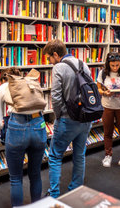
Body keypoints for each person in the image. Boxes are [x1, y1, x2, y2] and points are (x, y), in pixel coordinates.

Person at [43, 39, 92, 198]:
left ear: (56, 54)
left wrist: (59, 116)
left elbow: (56, 97)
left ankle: (54, 194)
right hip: (85, 117)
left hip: (67, 119)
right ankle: (76, 189)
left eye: (49, 58)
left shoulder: (59, 67)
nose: (50, 62)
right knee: (79, 154)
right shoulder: (82, 63)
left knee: (55, 156)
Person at [0, 67, 47, 207]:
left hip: (17, 128)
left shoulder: (3, 88)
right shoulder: (31, 84)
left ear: (5, 78)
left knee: (16, 178)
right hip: (39, 125)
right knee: (35, 174)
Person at [97, 53, 120, 168]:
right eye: (112, 65)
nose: (115, 68)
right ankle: (108, 155)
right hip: (107, 106)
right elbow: (98, 89)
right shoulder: (103, 73)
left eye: (117, 65)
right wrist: (104, 92)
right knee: (108, 132)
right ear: (108, 64)